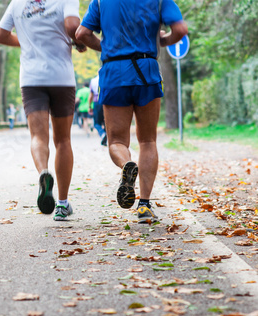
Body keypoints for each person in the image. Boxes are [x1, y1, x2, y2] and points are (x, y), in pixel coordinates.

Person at [76, 0, 188, 223]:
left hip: (114, 71)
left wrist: (106, 47)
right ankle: (144, 206)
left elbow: (82, 34)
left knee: (117, 141)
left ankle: (128, 165)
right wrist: (162, 40)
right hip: (146, 69)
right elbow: (181, 30)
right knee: (147, 141)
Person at [0, 0, 86, 221]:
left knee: (38, 137)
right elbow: (73, 26)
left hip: (32, 79)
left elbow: (0, 36)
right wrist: (78, 41)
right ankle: (62, 205)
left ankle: (44, 173)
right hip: (61, 78)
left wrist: (27, 43)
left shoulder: (17, 3)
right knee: (63, 140)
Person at [90, 75, 107, 146]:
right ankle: (105, 135)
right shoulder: (106, 77)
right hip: (107, 101)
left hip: (97, 102)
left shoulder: (93, 81)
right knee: (106, 121)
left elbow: (91, 95)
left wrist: (89, 106)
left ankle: (102, 134)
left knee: (96, 123)